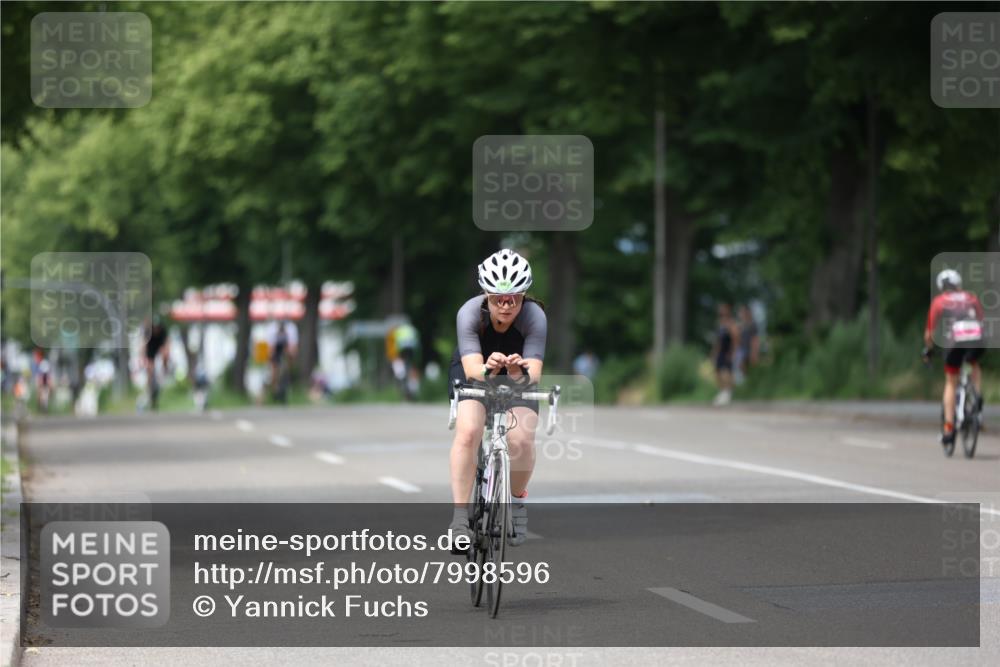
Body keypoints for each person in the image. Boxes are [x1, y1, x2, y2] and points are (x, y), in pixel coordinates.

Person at [448, 249, 546, 548]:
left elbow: (533, 374)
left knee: (521, 439)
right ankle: (459, 520)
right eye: (497, 299)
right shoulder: (469, 313)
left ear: (523, 296)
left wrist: (516, 371)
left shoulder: (534, 316)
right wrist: (488, 368)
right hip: (475, 369)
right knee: (469, 432)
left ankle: (516, 503)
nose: (505, 306)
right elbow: (472, 369)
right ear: (486, 295)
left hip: (518, 375)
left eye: (513, 299)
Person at [923, 269, 985, 447]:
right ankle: (977, 397)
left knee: (951, 382)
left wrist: (928, 350)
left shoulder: (939, 301)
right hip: (977, 338)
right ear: (958, 284)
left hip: (956, 340)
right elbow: (982, 321)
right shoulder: (971, 297)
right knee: (973, 364)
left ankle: (949, 428)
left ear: (941, 286)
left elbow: (929, 334)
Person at [711, 304, 740, 405]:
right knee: (717, 372)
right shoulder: (720, 324)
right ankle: (722, 391)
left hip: (728, 352)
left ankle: (728, 393)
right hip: (720, 352)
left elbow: (736, 339)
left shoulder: (731, 324)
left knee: (726, 372)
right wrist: (714, 353)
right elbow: (718, 341)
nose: (721, 312)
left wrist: (733, 353)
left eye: (723, 310)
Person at [143, 318, 170, 410]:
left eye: (157, 328)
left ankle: (164, 370)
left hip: (159, 347)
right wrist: (143, 360)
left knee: (165, 353)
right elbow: (143, 346)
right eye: (154, 328)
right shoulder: (148, 332)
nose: (156, 330)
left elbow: (167, 344)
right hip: (150, 349)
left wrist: (166, 357)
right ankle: (148, 388)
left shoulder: (163, 331)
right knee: (150, 369)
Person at [733, 305, 760, 385]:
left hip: (749, 348)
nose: (741, 314)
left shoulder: (752, 324)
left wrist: (754, 352)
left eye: (742, 312)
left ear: (747, 313)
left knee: (746, 364)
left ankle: (749, 382)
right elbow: (736, 339)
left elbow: (755, 339)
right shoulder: (739, 325)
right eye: (740, 312)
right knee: (738, 364)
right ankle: (743, 382)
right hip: (741, 348)